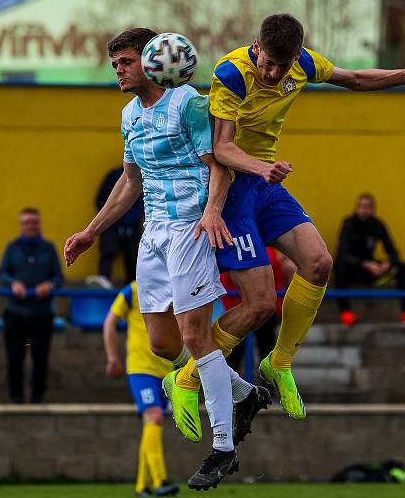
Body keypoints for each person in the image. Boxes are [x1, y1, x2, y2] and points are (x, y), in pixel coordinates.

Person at [166, 13, 405, 430]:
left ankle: (278, 363)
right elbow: (222, 149)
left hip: (264, 183)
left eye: (284, 65)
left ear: (297, 54)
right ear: (256, 47)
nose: (275, 73)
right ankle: (185, 378)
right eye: (268, 63)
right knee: (260, 304)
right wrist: (262, 168)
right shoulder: (232, 73)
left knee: (319, 262)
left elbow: (356, 79)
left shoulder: (303, 65)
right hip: (230, 190)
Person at [64, 28, 267, 490]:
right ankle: (245, 394)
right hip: (151, 233)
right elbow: (129, 182)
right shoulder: (129, 115)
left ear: (155, 60)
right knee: (163, 345)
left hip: (191, 227)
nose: (119, 69)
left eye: (126, 61)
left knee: (196, 336)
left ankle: (222, 447)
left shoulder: (188, 104)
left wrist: (212, 211)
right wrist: (91, 231)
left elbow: (218, 160)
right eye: (115, 63)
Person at [103, 281, 179, 497]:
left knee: (152, 423)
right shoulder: (132, 290)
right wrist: (112, 357)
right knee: (154, 416)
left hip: (165, 370)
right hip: (140, 368)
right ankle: (160, 480)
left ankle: (141, 486)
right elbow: (110, 321)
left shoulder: (174, 287)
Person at [0, 208, 64, 404]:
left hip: (42, 313)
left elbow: (59, 277)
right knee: (14, 358)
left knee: (41, 359)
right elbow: (1, 273)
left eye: (34, 222)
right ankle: (16, 398)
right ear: (21, 225)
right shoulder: (13, 248)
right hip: (16, 312)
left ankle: (37, 398)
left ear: (39, 224)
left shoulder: (48, 248)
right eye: (26, 222)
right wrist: (13, 284)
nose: (30, 226)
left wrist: (49, 285)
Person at [335, 193, 405, 328]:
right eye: (361, 206)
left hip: (373, 273)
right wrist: (365, 264)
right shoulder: (349, 223)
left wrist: (387, 263)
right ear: (356, 208)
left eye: (368, 207)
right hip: (354, 271)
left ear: (373, 209)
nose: (364, 210)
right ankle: (346, 314)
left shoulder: (377, 224)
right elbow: (343, 252)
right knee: (340, 266)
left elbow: (393, 252)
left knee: (402, 267)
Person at [223, 247, 296, 376]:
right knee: (236, 354)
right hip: (241, 309)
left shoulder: (267, 248)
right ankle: (231, 390)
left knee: (265, 351)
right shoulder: (243, 246)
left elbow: (277, 279)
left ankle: (267, 390)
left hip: (261, 311)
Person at [95, 166, 144, 285]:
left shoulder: (143, 175)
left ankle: (133, 290)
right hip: (113, 226)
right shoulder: (114, 176)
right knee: (108, 253)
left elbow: (146, 201)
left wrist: (136, 216)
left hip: (133, 228)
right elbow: (100, 200)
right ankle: (103, 282)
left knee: (134, 260)